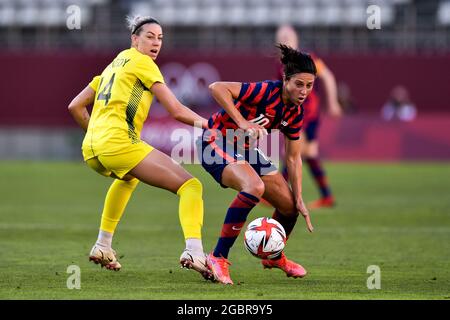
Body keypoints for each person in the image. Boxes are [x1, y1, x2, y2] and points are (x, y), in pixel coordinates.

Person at [67, 15, 213, 280]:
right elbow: (177, 111)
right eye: (149, 36)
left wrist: (96, 136)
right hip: (118, 143)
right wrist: (211, 124)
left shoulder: (115, 64)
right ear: (134, 39)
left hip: (91, 150)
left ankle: (103, 245)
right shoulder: (143, 62)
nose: (156, 43)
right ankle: (194, 251)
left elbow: (75, 106)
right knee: (191, 186)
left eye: (160, 38)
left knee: (129, 177)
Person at [196, 44, 315, 285]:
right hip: (215, 142)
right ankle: (218, 257)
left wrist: (300, 196)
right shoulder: (265, 91)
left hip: (245, 150)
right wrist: (241, 121)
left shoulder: (295, 112)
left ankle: (273, 256)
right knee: (254, 187)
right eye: (299, 84)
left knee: (289, 207)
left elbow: (293, 157)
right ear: (286, 80)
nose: (304, 91)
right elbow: (217, 87)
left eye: (309, 86)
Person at [275, 25, 342, 209]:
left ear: (296, 39)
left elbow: (328, 77)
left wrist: (333, 102)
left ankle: (276, 194)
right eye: (281, 36)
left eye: (288, 36)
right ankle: (327, 196)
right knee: (310, 153)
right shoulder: (282, 63)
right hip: (298, 113)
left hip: (307, 114)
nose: (285, 39)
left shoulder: (307, 59)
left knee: (289, 152)